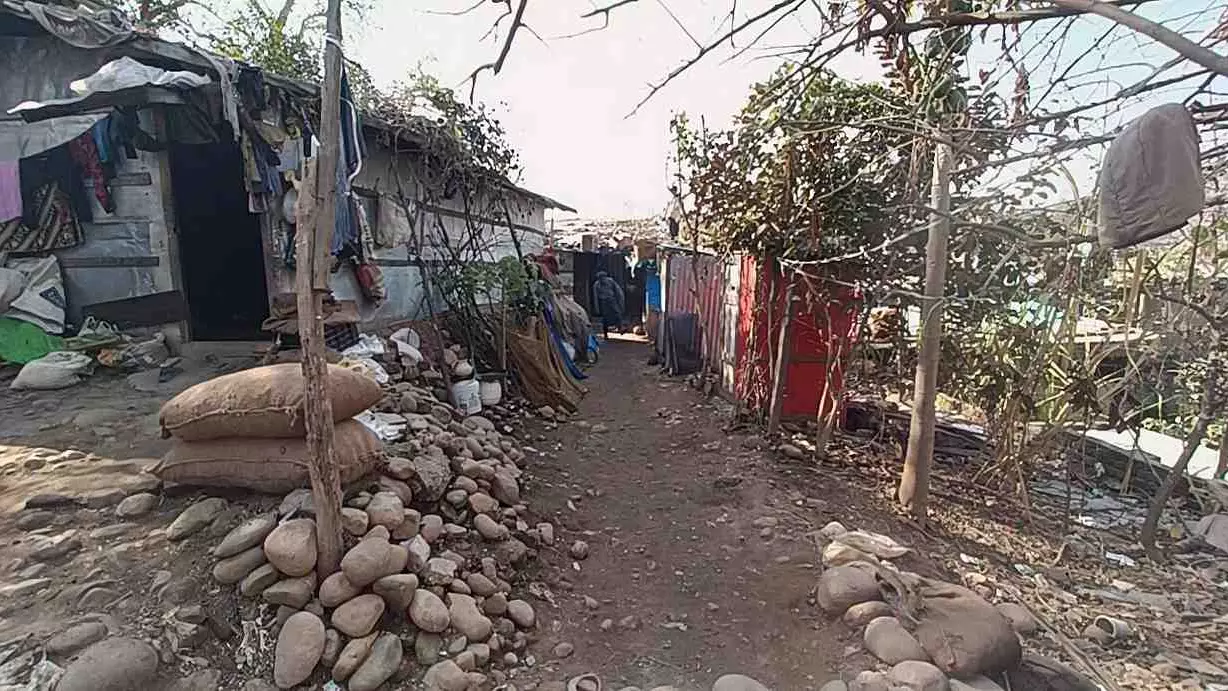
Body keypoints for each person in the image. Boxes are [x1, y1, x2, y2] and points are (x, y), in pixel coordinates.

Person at [591, 271, 625, 338]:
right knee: (605, 318)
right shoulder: (596, 285)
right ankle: (605, 333)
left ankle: (620, 328)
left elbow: (618, 291)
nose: (603, 279)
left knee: (617, 313)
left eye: (603, 277)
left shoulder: (610, 281)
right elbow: (595, 297)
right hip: (603, 301)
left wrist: (620, 301)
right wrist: (596, 308)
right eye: (601, 278)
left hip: (612, 299)